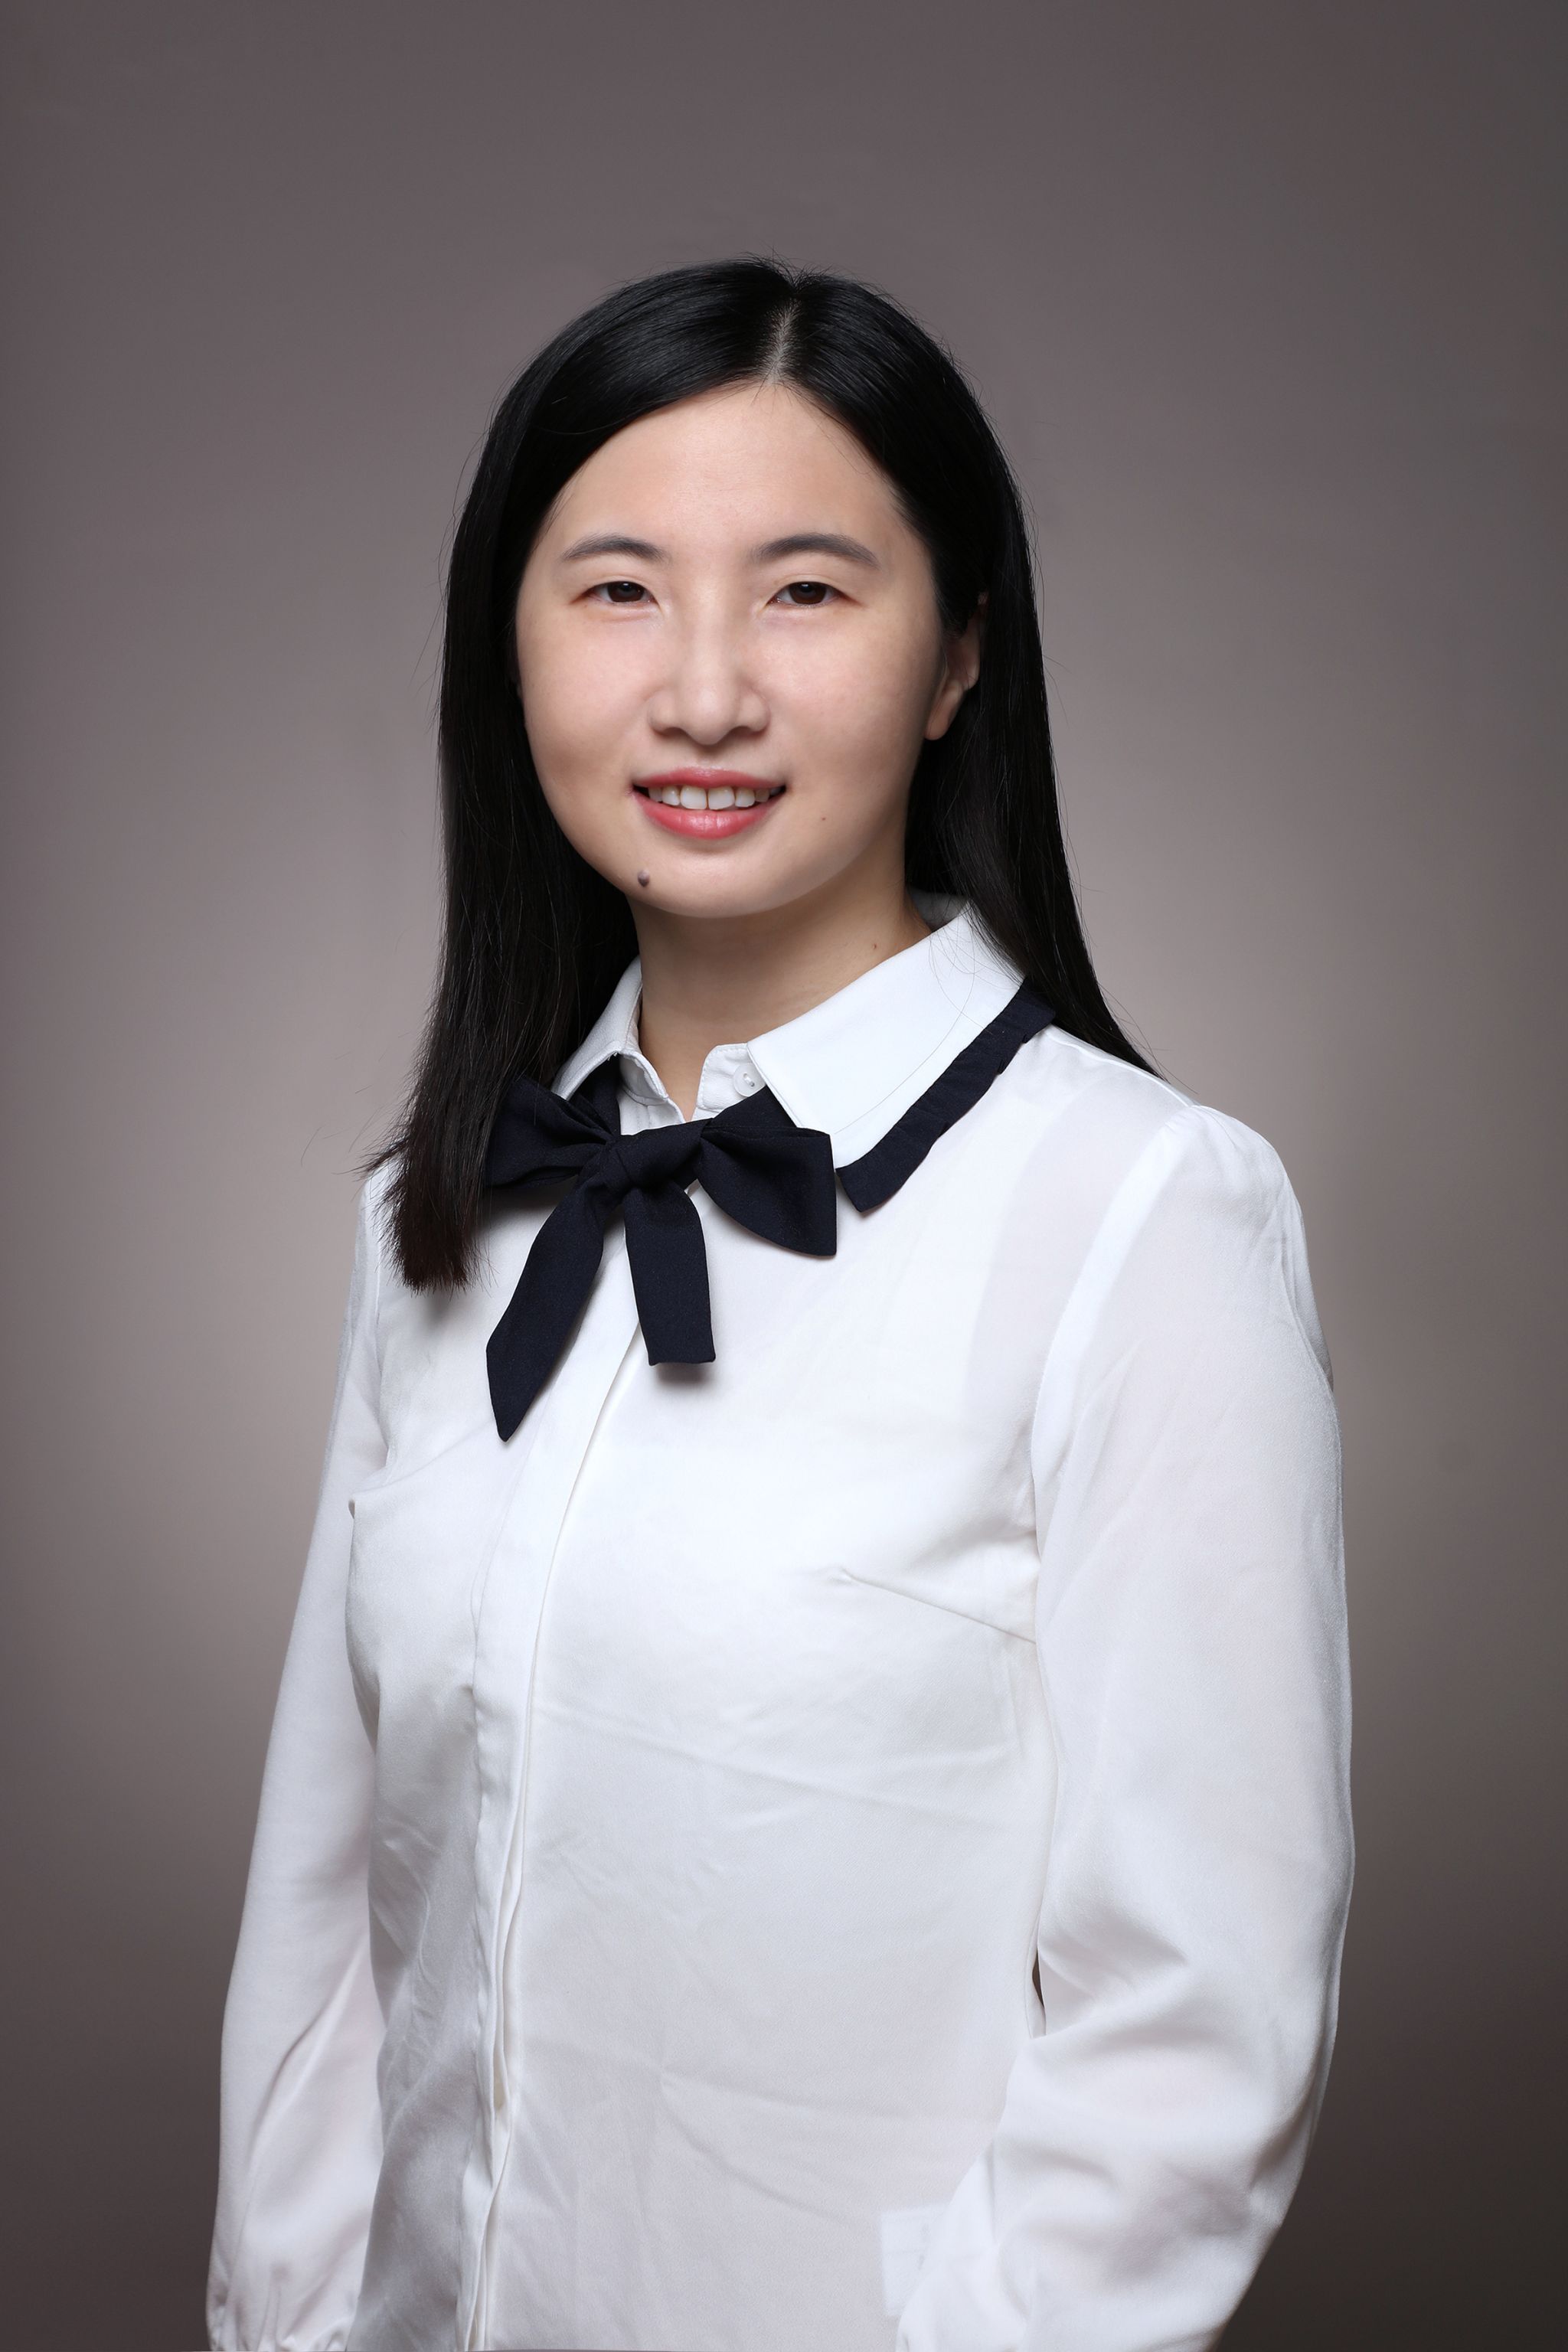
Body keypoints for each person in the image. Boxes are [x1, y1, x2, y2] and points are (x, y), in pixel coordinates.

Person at [206, 257, 1352, 2352]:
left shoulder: (1140, 1217)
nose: (706, 692)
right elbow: (328, 1920)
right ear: (507, 643)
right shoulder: (429, 1224)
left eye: (808, 591)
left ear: (959, 653)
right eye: (618, 591)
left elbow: (1192, 2037)